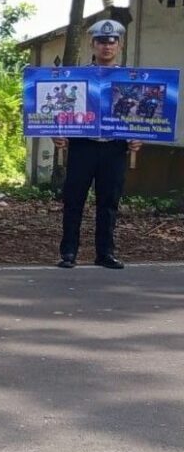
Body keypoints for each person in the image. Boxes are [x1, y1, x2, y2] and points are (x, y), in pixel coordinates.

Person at [54, 19, 141, 270]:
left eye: (111, 42)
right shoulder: (77, 77)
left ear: (120, 46)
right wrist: (57, 134)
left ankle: (105, 254)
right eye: (101, 42)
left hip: (114, 149)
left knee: (109, 203)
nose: (106, 46)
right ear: (92, 44)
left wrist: (138, 137)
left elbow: (139, 116)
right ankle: (68, 252)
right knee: (73, 201)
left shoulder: (130, 79)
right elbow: (62, 109)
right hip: (83, 147)